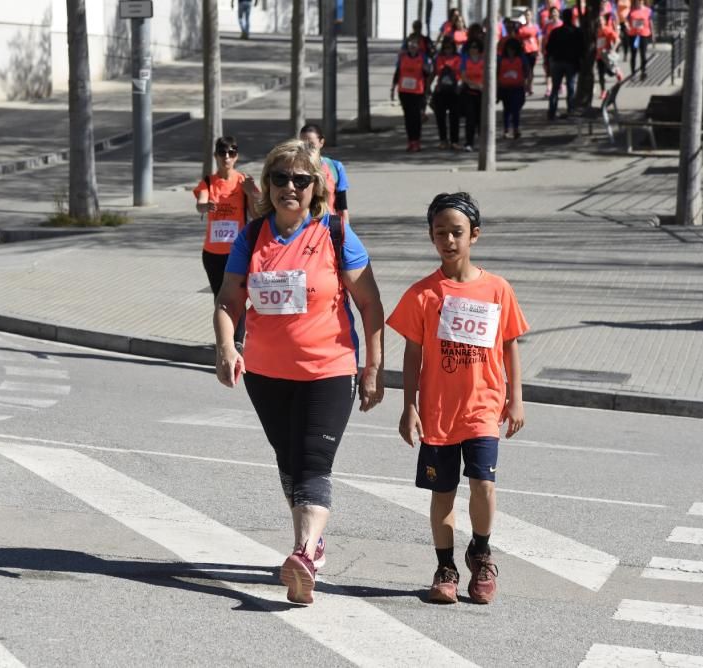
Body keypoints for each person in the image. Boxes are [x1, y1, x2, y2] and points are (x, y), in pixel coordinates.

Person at [213, 139, 385, 606]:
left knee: (313, 460)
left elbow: (370, 304)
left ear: (316, 188)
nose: (290, 187)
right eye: (280, 178)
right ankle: (310, 545)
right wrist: (227, 346)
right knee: (289, 460)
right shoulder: (252, 237)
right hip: (267, 374)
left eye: (301, 179)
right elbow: (230, 300)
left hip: (329, 368)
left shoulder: (335, 233)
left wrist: (373, 366)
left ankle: (304, 554)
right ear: (267, 184)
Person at [386, 191, 528, 605]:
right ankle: (445, 565)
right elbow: (412, 354)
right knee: (443, 492)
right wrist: (408, 406)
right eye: (440, 233)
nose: (448, 240)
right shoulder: (423, 294)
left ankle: (480, 551)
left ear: (475, 235)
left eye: (457, 232)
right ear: (431, 237)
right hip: (438, 412)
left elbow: (510, 345)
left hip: (483, 407)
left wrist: (516, 398)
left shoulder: (497, 289)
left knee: (483, 484)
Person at [194, 136, 260, 347]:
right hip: (212, 253)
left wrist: (251, 194)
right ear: (216, 156)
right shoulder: (208, 181)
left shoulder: (242, 181)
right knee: (220, 297)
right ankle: (225, 341)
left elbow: (256, 214)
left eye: (231, 153)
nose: (226, 157)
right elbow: (200, 203)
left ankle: (237, 341)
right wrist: (206, 207)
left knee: (238, 296)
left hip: (237, 251)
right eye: (222, 153)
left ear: (236, 156)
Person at [299, 124, 350, 223]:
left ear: (321, 142)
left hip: (328, 225)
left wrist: (345, 230)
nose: (306, 149)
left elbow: (342, 205)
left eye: (311, 144)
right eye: (302, 144)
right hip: (301, 227)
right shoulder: (294, 168)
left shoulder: (335, 167)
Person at [392, 36, 432, 152]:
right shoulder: (402, 57)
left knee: (416, 117)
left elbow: (427, 73)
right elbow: (398, 72)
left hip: (418, 92)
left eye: (415, 44)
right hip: (404, 91)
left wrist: (426, 69)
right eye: (411, 43)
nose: (413, 46)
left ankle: (416, 141)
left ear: (419, 46)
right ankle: (410, 141)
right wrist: (393, 88)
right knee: (408, 117)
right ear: (407, 45)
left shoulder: (423, 57)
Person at [545, 8, 583, 120]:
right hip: (571, 63)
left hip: (557, 62)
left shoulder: (556, 32)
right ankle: (570, 110)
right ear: (572, 17)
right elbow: (581, 49)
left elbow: (548, 48)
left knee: (555, 88)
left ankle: (552, 112)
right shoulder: (576, 31)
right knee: (570, 87)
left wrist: (550, 60)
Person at [431, 39, 462, 150]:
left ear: (453, 48)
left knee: (454, 117)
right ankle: (443, 140)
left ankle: (454, 141)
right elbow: (436, 72)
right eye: (445, 48)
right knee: (440, 117)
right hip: (441, 90)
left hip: (454, 90)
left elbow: (461, 73)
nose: (447, 50)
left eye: (450, 47)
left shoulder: (458, 58)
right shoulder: (439, 58)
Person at [498, 38, 528, 139]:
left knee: (515, 109)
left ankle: (516, 128)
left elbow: (527, 71)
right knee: (506, 109)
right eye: (509, 49)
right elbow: (497, 73)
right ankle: (506, 130)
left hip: (518, 87)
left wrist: (527, 83)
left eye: (513, 49)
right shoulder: (501, 59)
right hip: (504, 88)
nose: (511, 51)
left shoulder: (521, 58)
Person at [459, 40, 486, 152]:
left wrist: (482, 86)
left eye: (475, 47)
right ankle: (469, 143)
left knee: (481, 119)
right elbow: (463, 76)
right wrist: (474, 85)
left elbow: (487, 74)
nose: (473, 49)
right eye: (471, 47)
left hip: (481, 93)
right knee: (470, 119)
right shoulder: (465, 60)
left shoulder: (483, 60)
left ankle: (482, 143)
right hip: (469, 92)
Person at [596, 10, 621, 96]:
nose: (599, 22)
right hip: (598, 56)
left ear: (604, 21)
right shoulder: (595, 31)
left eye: (601, 20)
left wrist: (613, 49)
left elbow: (617, 40)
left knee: (610, 73)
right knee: (600, 74)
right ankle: (603, 91)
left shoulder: (607, 30)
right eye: (598, 21)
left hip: (606, 56)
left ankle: (617, 72)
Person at [540, 5, 563, 98]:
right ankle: (549, 88)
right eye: (552, 12)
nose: (554, 14)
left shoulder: (562, 24)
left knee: (558, 70)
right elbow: (543, 37)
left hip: (559, 51)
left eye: (555, 12)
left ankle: (560, 85)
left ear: (558, 13)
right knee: (548, 70)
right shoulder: (547, 25)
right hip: (549, 51)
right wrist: (542, 48)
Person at [626, 0, 653, 80]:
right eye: (637, 1)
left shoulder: (648, 10)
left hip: (643, 35)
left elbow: (650, 22)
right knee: (633, 54)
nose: (639, 2)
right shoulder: (632, 11)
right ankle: (633, 73)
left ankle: (643, 71)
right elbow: (627, 21)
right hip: (634, 35)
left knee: (643, 55)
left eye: (640, 0)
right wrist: (627, 26)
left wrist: (652, 33)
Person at [515, 11, 541, 94]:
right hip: (524, 50)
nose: (527, 16)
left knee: (530, 69)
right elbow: (518, 39)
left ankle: (530, 86)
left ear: (532, 16)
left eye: (529, 15)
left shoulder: (535, 27)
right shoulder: (521, 27)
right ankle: (525, 85)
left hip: (533, 50)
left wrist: (538, 50)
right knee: (525, 69)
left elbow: (539, 38)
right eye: (526, 15)